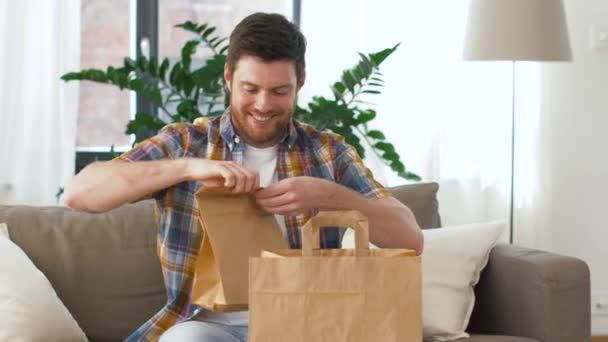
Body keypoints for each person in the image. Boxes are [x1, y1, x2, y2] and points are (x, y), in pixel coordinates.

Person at [65, 12, 423, 342]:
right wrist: (187, 167)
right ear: (228, 77)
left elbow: (410, 239)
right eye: (250, 89)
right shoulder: (188, 143)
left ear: (300, 82)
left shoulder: (328, 153)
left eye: (279, 91)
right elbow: (80, 194)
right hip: (205, 327)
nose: (264, 105)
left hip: (306, 325)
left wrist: (329, 196)